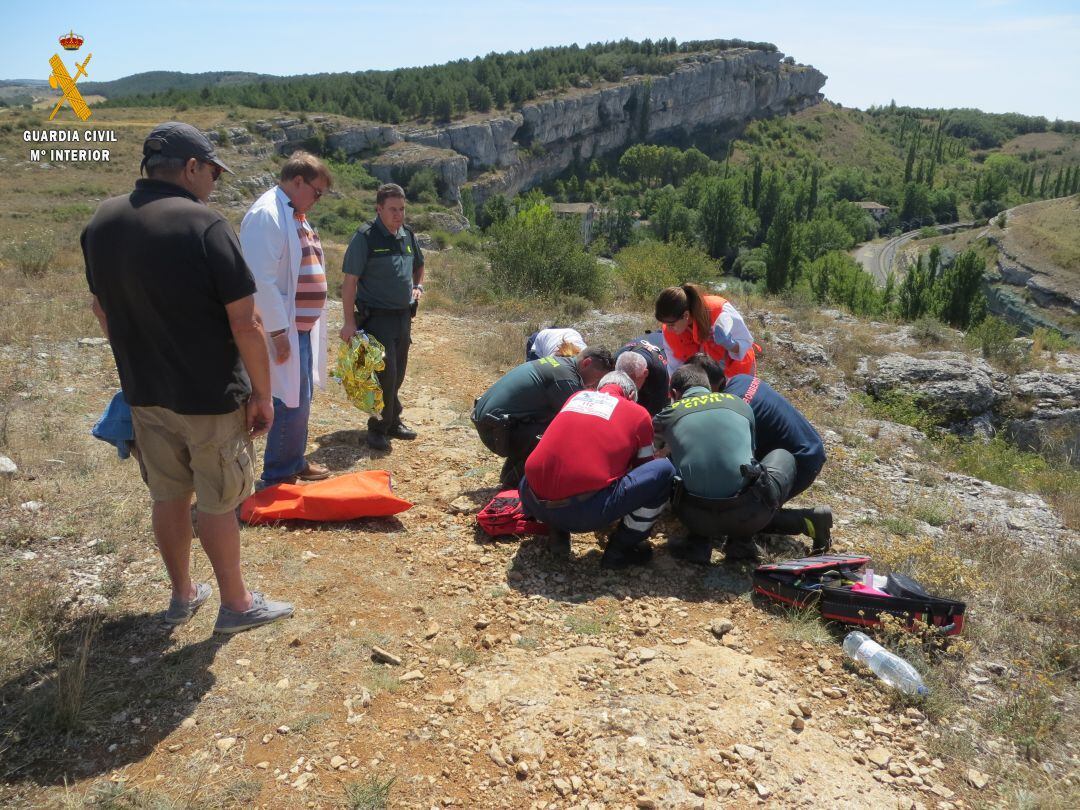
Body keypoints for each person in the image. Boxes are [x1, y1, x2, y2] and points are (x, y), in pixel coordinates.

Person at [82, 121, 293, 634]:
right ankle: (237, 605)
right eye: (212, 173)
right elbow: (246, 323)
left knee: (167, 494)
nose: (214, 184)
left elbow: (101, 309)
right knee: (219, 499)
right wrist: (263, 396)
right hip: (209, 396)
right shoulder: (204, 226)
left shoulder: (101, 222)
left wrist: (135, 358)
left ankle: (181, 595)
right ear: (191, 168)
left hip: (145, 392)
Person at [653, 366, 831, 565]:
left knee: (687, 460)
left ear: (674, 393)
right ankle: (742, 542)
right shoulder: (740, 405)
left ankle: (699, 542)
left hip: (693, 516)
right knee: (779, 457)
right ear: (710, 386)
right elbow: (751, 459)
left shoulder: (669, 413)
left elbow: (647, 445)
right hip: (748, 515)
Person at [240, 151, 333, 486]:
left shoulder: (294, 214)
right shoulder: (268, 214)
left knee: (300, 398)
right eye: (317, 192)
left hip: (299, 328)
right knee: (286, 400)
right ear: (298, 181)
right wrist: (278, 332)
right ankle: (279, 473)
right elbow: (259, 280)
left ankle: (293, 461)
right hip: (282, 329)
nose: (318, 200)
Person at [519, 371, 675, 569]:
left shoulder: (576, 397)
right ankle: (623, 548)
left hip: (532, 499)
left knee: (560, 460)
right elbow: (644, 469)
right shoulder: (638, 413)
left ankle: (556, 531)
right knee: (663, 470)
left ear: (600, 387)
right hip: (583, 514)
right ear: (630, 396)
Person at [340, 183, 425, 452]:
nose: (398, 215)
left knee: (398, 372)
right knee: (383, 374)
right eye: (392, 210)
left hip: (403, 316)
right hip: (375, 317)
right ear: (379, 209)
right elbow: (349, 282)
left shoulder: (407, 235)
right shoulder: (365, 237)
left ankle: (393, 420)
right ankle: (378, 428)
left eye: (402, 209)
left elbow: (419, 265)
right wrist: (348, 323)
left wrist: (417, 286)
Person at [687, 354, 827, 499]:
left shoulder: (729, 409)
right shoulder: (741, 379)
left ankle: (806, 519)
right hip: (811, 447)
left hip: (800, 464)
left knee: (742, 512)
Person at [472, 348, 614, 488]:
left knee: (550, 422)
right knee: (562, 438)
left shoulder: (560, 364)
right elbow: (580, 422)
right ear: (586, 363)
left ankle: (510, 474)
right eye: (598, 378)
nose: (596, 385)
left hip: (491, 421)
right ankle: (517, 484)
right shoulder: (565, 379)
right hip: (495, 430)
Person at [654, 283, 757, 380]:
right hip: (707, 380)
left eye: (671, 324)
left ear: (685, 315)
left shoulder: (719, 311)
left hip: (738, 372)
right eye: (665, 324)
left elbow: (745, 343)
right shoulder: (669, 332)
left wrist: (730, 344)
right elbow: (674, 369)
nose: (668, 329)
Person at [614, 332, 670, 416]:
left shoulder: (660, 372)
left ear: (645, 373)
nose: (627, 387)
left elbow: (655, 412)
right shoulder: (617, 357)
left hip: (669, 339)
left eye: (632, 384)